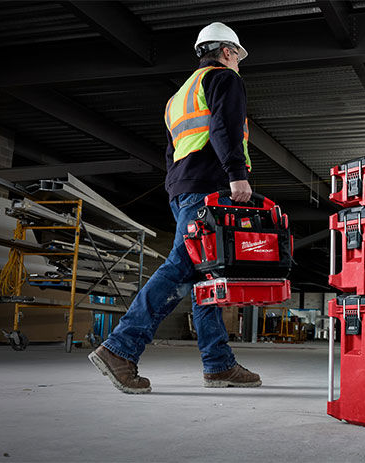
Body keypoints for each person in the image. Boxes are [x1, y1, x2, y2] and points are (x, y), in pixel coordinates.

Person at [88, 22, 260, 394]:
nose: (239, 63)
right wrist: (237, 175)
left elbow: (172, 151)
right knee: (183, 266)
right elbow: (225, 129)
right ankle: (119, 348)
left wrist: (177, 190)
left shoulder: (178, 96)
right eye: (238, 56)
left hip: (182, 189)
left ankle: (218, 364)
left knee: (205, 276)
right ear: (228, 51)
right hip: (210, 188)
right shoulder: (224, 80)